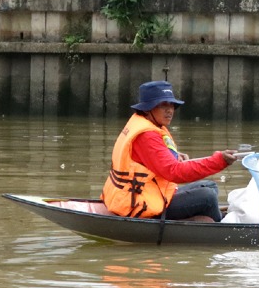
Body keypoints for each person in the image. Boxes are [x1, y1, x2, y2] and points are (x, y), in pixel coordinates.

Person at [102, 81, 238, 221]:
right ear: (148, 109)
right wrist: (219, 161)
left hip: (145, 193)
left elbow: (147, 159)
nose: (170, 110)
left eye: (171, 104)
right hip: (139, 203)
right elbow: (174, 172)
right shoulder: (146, 135)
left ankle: (199, 221)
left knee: (211, 186)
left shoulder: (144, 123)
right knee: (207, 197)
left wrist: (174, 155)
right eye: (163, 105)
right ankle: (220, 229)